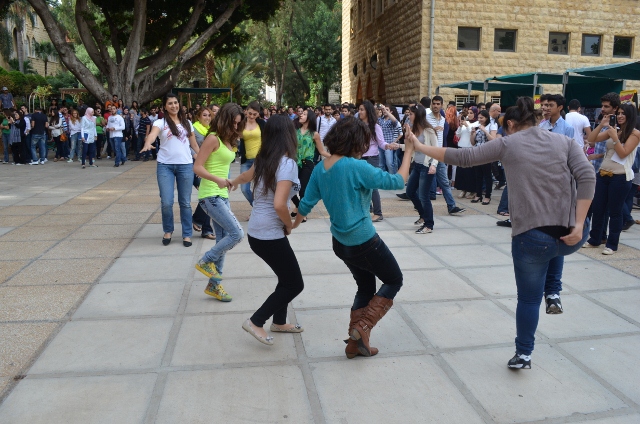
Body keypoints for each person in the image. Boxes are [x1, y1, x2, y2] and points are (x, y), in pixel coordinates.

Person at [412, 97, 595, 369]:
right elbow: (587, 177)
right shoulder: (567, 143)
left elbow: (463, 158)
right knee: (556, 245)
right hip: (573, 237)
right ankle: (554, 290)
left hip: (533, 238)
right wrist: (579, 225)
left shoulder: (508, 143)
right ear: (536, 121)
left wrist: (419, 146)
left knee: (529, 299)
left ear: (510, 124)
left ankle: (524, 354)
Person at [293, 116, 415, 358]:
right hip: (364, 241)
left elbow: (305, 204)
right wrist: (409, 150)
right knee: (394, 280)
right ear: (356, 142)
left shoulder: (321, 167)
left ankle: (354, 343)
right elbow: (398, 181)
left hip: (340, 243)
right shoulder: (356, 167)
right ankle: (363, 327)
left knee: (365, 286)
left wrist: (291, 225)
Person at [228, 115, 304, 345]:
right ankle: (256, 321)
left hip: (257, 232)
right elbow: (280, 204)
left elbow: (244, 176)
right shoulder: (287, 163)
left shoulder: (264, 159)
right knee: (294, 283)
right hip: (269, 233)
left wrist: (232, 182)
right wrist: (289, 225)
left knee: (285, 277)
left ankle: (279, 321)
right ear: (288, 135)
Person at [192, 103, 246, 301]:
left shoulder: (228, 140)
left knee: (223, 239)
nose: (235, 126)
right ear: (224, 119)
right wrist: (217, 180)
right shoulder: (212, 138)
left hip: (222, 195)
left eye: (238, 123)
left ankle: (214, 286)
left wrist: (230, 181)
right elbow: (197, 167)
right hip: (210, 196)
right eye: (233, 122)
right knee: (237, 233)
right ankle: (205, 261)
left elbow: (220, 165)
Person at [140, 94, 200, 247]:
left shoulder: (187, 123)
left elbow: (194, 144)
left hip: (185, 165)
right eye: (170, 103)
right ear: (165, 107)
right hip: (165, 165)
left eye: (175, 103)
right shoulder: (160, 122)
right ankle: (168, 230)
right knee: (166, 202)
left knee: (185, 202)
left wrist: (201, 160)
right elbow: (152, 135)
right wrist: (148, 143)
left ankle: (187, 234)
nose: (174, 106)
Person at [583, 103, 640, 255]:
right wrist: (602, 124)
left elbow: (623, 153)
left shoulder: (635, 134)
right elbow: (592, 138)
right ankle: (595, 239)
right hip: (603, 174)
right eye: (619, 113)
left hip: (620, 177)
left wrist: (615, 138)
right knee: (598, 208)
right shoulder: (614, 130)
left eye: (624, 114)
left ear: (630, 116)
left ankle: (612, 244)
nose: (620, 116)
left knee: (615, 212)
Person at [358, 100, 400, 222]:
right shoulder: (357, 125)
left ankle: (378, 212)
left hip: (371, 159)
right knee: (360, 186)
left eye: (362, 110)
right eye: (359, 109)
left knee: (372, 186)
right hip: (359, 159)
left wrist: (389, 146)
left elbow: (381, 143)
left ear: (368, 111)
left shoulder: (375, 127)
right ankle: (365, 210)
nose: (359, 112)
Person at [405, 104, 439, 234]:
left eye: (411, 114)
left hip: (427, 166)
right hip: (417, 165)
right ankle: (423, 215)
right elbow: (412, 148)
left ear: (417, 115)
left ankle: (429, 225)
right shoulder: (414, 129)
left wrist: (434, 165)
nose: (409, 116)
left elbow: (436, 149)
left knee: (424, 196)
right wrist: (398, 145)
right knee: (410, 192)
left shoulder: (428, 130)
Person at [290, 108, 330, 217]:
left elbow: (321, 151)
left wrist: (335, 157)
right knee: (290, 189)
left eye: (304, 114)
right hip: (294, 163)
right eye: (301, 113)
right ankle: (298, 206)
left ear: (309, 118)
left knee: (303, 191)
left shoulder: (314, 134)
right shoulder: (295, 131)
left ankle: (302, 214)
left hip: (307, 164)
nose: (301, 115)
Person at [191, 107, 216, 240]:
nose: (207, 118)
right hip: (195, 166)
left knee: (208, 196)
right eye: (204, 115)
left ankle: (201, 224)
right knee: (208, 196)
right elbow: (189, 145)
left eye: (209, 115)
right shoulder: (193, 129)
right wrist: (197, 160)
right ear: (199, 117)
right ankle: (202, 225)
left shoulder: (211, 130)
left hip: (207, 166)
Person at [470, 110, 494, 205]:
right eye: (479, 118)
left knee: (487, 175)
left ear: (486, 118)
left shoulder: (491, 126)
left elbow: (493, 140)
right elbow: (472, 142)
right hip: (477, 153)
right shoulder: (478, 127)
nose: (480, 120)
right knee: (478, 175)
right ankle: (478, 194)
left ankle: (487, 196)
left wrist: (485, 130)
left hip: (486, 153)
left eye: (482, 118)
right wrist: (472, 134)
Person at [454, 110, 476, 198]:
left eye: (471, 113)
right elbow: (458, 135)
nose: (469, 115)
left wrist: (467, 126)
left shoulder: (476, 123)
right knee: (461, 171)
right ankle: (463, 190)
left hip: (470, 148)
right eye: (469, 113)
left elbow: (472, 133)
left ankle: (472, 191)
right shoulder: (465, 122)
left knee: (469, 172)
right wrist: (460, 126)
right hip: (461, 148)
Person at [377, 104, 402, 174]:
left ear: (391, 111)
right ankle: (384, 180)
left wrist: (385, 110)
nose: (384, 111)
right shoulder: (380, 119)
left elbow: (395, 121)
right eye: (384, 110)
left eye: (387, 110)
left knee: (390, 164)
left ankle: (392, 179)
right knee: (381, 164)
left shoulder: (392, 121)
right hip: (380, 144)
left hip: (389, 145)